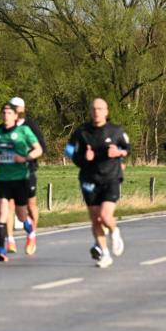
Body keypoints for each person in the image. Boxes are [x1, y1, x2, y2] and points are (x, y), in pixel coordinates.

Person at [68, 98, 130, 268]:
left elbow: (127, 149)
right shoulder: (82, 132)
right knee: (95, 220)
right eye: (94, 109)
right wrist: (82, 158)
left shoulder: (116, 131)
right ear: (90, 111)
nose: (97, 112)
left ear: (106, 111)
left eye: (100, 109)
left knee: (104, 216)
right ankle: (105, 254)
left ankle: (115, 231)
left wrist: (118, 152)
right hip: (89, 179)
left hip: (111, 177)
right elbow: (69, 150)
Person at [0, 103, 43, 262]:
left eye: (9, 113)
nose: (5, 115)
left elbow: (38, 149)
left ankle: (30, 232)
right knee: (3, 212)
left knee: (21, 216)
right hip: (3, 179)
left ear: (16, 116)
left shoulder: (24, 131)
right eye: (3, 112)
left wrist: (25, 158)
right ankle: (1, 250)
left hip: (20, 178)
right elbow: (0, 153)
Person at [9, 96, 46, 254]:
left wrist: (25, 156)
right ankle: (10, 241)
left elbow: (42, 147)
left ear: (22, 109)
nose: (14, 110)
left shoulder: (30, 125)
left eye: (17, 107)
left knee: (29, 207)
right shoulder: (5, 126)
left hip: (28, 170)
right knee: (12, 207)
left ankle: (32, 236)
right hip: (9, 172)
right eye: (12, 107)